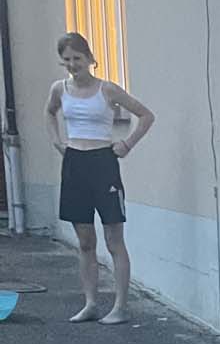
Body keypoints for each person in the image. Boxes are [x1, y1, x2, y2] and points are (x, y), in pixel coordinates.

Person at [45, 32, 155, 325]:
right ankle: (91, 303)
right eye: (67, 59)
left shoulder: (107, 90)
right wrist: (57, 140)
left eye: (77, 58)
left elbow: (146, 115)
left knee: (113, 239)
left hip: (103, 163)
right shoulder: (59, 89)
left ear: (90, 59)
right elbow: (50, 113)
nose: (72, 64)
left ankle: (119, 307)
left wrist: (127, 144)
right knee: (84, 241)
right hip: (74, 163)